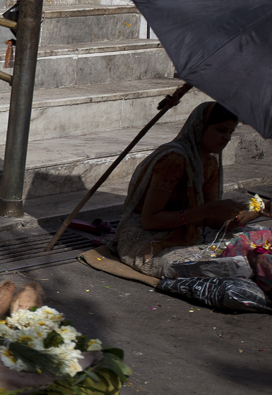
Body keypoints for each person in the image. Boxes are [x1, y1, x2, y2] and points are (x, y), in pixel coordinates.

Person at [115, 102, 269, 278]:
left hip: (191, 230)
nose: (227, 138)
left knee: (256, 242)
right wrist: (208, 210)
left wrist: (260, 210)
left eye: (230, 132)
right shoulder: (174, 159)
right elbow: (150, 221)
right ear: (200, 128)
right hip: (148, 236)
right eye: (221, 130)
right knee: (205, 266)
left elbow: (213, 222)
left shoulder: (209, 164)